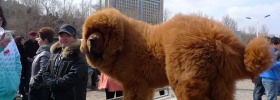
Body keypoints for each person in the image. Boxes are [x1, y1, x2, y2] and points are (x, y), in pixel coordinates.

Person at [42, 24, 88, 100]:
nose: (64, 38)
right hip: (54, 96)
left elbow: (73, 78)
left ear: (74, 38)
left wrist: (52, 83)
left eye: (68, 36)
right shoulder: (56, 53)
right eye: (61, 36)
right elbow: (46, 70)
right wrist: (47, 80)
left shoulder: (79, 54)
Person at [28, 27, 55, 100]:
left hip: (39, 90)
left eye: (39, 38)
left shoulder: (45, 53)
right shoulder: (44, 52)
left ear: (45, 40)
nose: (37, 41)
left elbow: (44, 70)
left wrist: (35, 81)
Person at [22, 31, 39, 99]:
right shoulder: (27, 43)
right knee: (29, 75)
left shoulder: (36, 43)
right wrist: (27, 58)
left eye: (34, 36)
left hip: (35, 60)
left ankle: (33, 88)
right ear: (30, 36)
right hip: (28, 61)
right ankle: (27, 89)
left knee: (34, 74)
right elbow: (24, 52)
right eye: (32, 36)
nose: (33, 37)